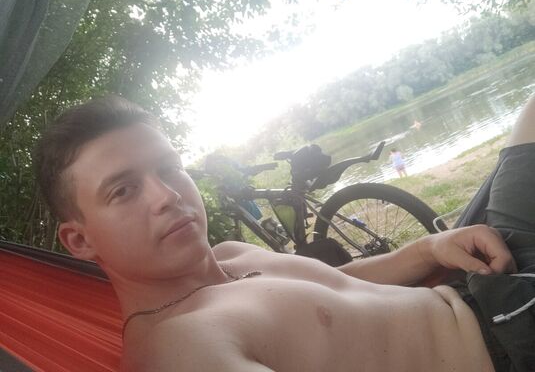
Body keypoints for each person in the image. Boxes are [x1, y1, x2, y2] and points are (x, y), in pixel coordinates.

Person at [33, 94, 535, 372]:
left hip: (479, 277)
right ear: (80, 240)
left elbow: (340, 285)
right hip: (508, 337)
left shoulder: (231, 254)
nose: (165, 195)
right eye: (123, 191)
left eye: (169, 169)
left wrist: (430, 248)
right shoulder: (180, 349)